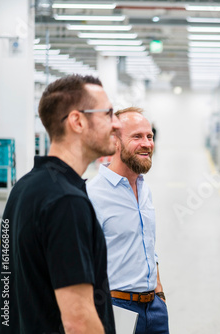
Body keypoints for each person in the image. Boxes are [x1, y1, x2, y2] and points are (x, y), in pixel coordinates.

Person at [0, 75, 120, 333]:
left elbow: (7, 295)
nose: (116, 124)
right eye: (108, 113)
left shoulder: (24, 188)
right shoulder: (67, 202)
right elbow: (78, 322)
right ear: (77, 121)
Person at [87, 107, 169, 334]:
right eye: (137, 137)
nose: (147, 143)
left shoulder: (144, 190)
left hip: (154, 309)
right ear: (115, 142)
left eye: (150, 136)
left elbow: (148, 244)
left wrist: (159, 292)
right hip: (115, 308)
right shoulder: (92, 195)